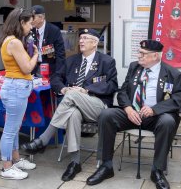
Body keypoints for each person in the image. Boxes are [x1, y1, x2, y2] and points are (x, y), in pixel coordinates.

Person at [21, 28, 118, 182]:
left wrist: (86, 90)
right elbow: (55, 78)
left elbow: (112, 85)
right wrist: (63, 88)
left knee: (73, 94)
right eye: (80, 38)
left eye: (85, 38)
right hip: (74, 104)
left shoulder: (106, 61)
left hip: (98, 105)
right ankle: (75, 162)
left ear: (94, 43)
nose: (81, 41)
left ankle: (44, 140)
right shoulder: (72, 60)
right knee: (72, 113)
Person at [86, 39, 181, 189]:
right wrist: (128, 108)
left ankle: (157, 170)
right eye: (139, 52)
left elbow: (177, 100)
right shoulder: (134, 68)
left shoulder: (172, 73)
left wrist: (154, 109)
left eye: (143, 54)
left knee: (168, 121)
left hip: (155, 117)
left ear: (156, 56)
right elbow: (123, 91)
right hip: (132, 113)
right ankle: (106, 166)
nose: (139, 56)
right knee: (106, 115)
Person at [0, 8, 39, 180]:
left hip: (14, 87)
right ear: (21, 22)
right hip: (16, 88)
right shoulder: (14, 42)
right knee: (10, 131)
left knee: (13, 129)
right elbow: (27, 68)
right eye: (30, 23)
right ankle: (7, 168)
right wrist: (36, 54)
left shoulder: (10, 40)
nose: (31, 27)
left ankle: (15, 160)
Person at [30, 5, 65, 77]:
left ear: (41, 18)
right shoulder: (30, 30)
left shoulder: (53, 30)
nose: (30, 20)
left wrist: (59, 74)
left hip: (49, 68)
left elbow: (60, 54)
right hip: (32, 68)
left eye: (33, 17)